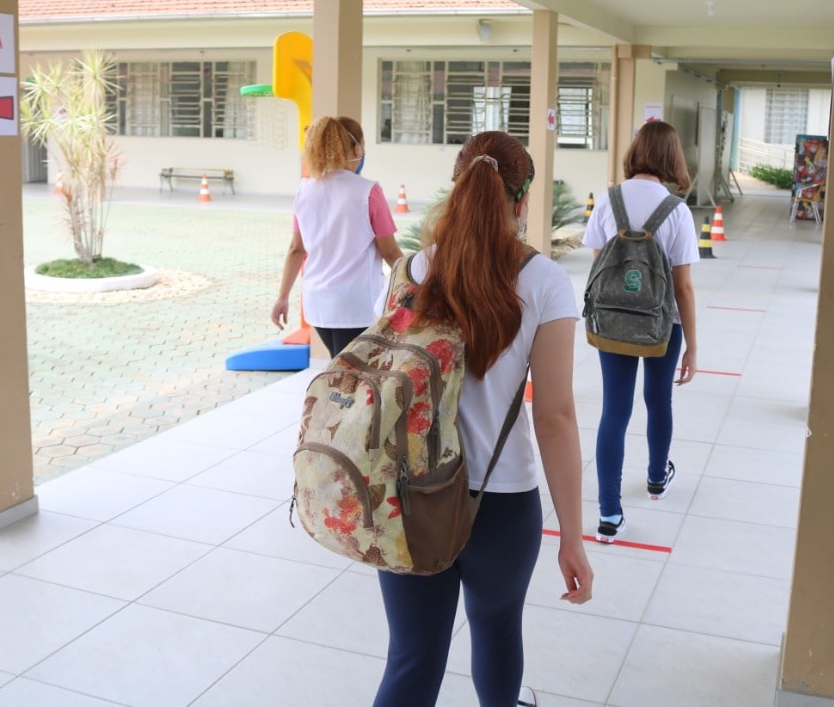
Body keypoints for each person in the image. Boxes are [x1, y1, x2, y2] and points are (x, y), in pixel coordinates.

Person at [373, 131, 593, 707]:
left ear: (457, 189)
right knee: (497, 633)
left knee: (413, 657)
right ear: (521, 202)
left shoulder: (413, 269)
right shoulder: (543, 282)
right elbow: (555, 417)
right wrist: (572, 535)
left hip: (412, 494)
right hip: (501, 503)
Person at [583, 119, 699, 543]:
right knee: (658, 399)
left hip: (613, 320)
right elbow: (683, 286)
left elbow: (601, 265)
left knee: (614, 411)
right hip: (660, 323)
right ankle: (656, 478)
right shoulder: (677, 211)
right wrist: (692, 346)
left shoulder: (607, 201)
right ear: (672, 158)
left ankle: (609, 515)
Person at [271, 116, 403, 356]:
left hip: (317, 301)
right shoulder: (368, 191)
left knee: (338, 367)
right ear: (356, 148)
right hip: (357, 302)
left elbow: (296, 249)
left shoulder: (304, 190)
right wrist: (417, 286)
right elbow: (391, 252)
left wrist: (282, 298)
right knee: (354, 377)